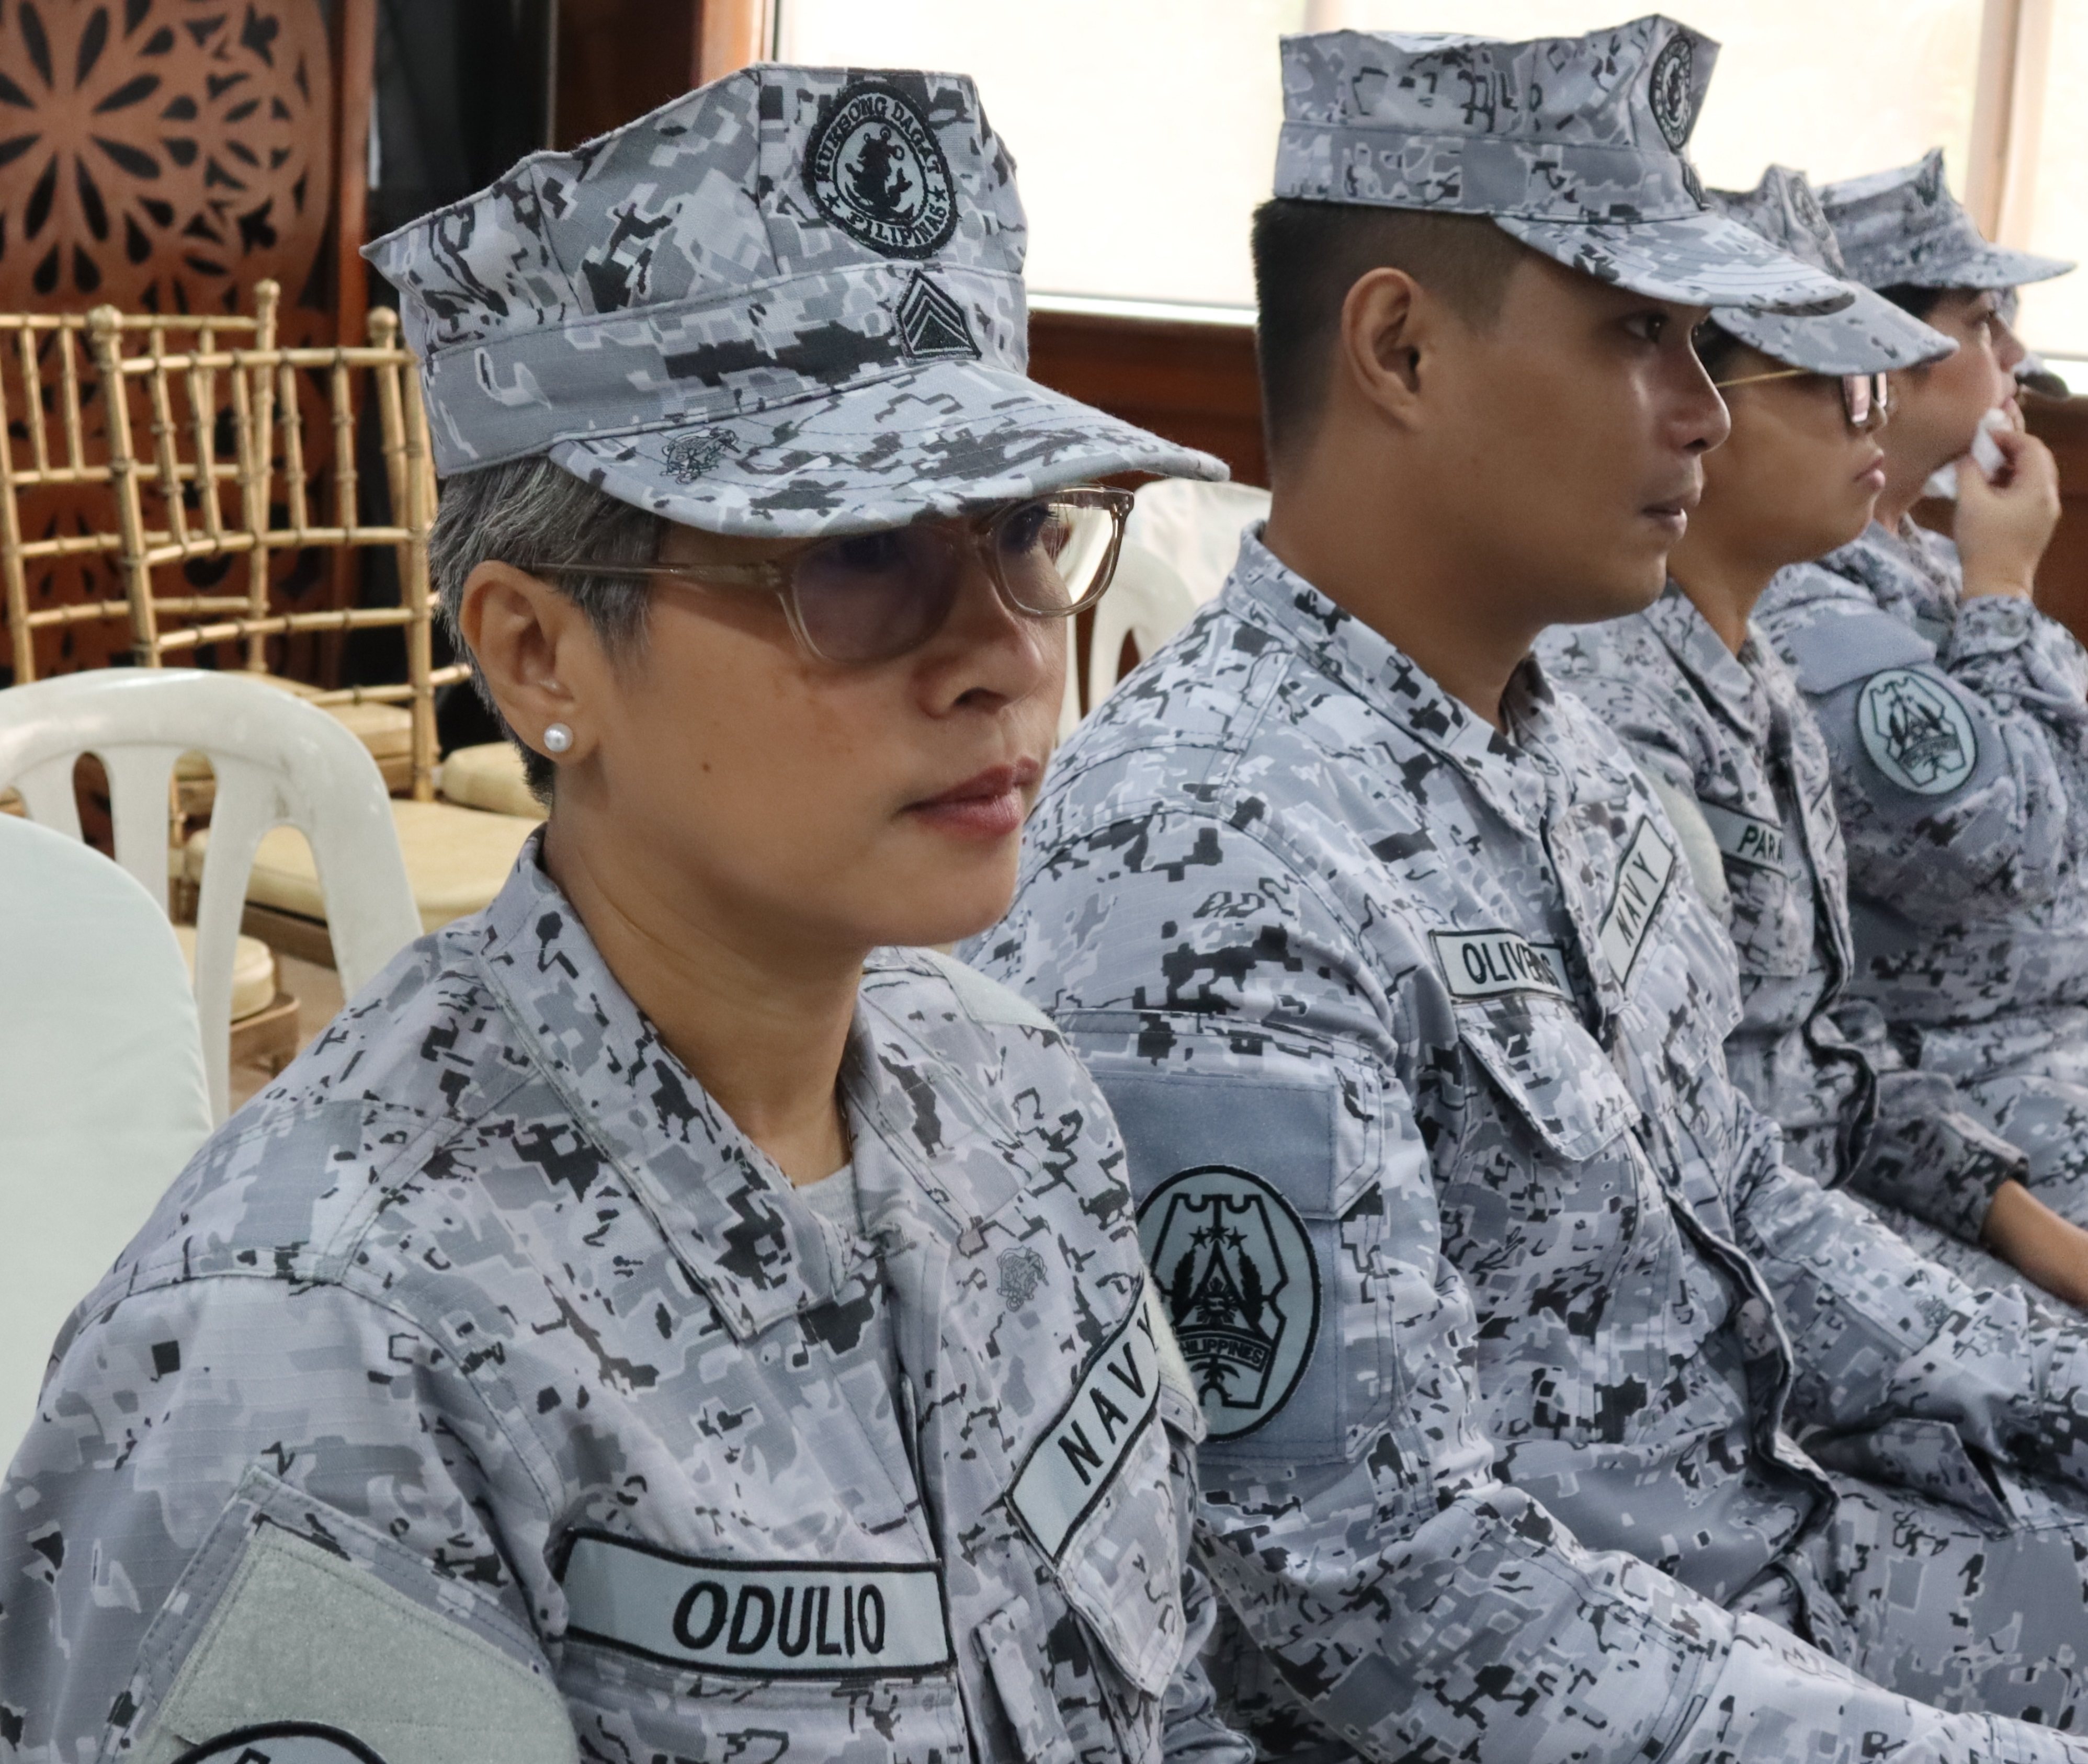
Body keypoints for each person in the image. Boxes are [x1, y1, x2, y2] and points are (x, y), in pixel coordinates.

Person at [0, 70, 1252, 1764]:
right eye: (860, 555)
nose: (1011, 655)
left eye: (1026, 531)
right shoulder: (315, 1340)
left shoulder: (1012, 1097)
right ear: (537, 653)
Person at [974, 19, 2088, 1763]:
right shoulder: (1215, 858)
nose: (1703, 410)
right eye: (1638, 333)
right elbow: (1372, 1599)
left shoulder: (1569, 768)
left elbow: (1754, 1212)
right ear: (1402, 348)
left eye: (1703, 347)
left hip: (1767, 1557)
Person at [1540, 166, 2088, 1305]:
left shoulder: (1760, 673)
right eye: (1838, 383)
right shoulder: (1638, 695)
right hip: (1794, 1240)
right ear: (1695, 421)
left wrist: (2037, 1246)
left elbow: (1830, 1058)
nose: (1870, 410)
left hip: (1855, 1186)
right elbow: (2002, 845)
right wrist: (2002, 590)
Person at [1753, 153, 2088, 1223]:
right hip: (1968, 1088)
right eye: (1984, 322)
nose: (2017, 359)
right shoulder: (1798, 595)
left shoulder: (1921, 561)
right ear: (1880, 353)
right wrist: (2004, 587)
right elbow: (1998, 854)